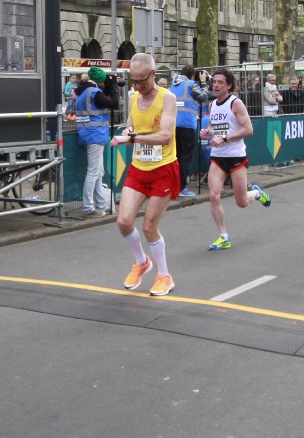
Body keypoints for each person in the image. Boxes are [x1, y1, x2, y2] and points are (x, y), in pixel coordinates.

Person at [110, 53, 180, 297]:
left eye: (141, 80)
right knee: (123, 221)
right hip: (139, 167)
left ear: (153, 74)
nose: (137, 85)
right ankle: (141, 262)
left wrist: (132, 137)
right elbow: (131, 128)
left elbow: (165, 137)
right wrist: (125, 134)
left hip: (163, 168)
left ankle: (165, 276)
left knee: (149, 226)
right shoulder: (133, 98)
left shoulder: (167, 98)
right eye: (133, 81)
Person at [200, 69, 272, 250]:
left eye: (220, 83)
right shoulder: (212, 104)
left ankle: (256, 193)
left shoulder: (235, 103)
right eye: (214, 82)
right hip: (218, 157)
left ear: (229, 86)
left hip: (236, 156)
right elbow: (213, 127)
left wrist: (224, 138)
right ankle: (223, 236)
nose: (216, 85)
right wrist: (207, 132)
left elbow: (248, 129)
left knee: (241, 202)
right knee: (214, 195)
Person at [73, 67, 120, 217]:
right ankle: (88, 208)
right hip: (95, 134)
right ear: (100, 80)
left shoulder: (83, 92)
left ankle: (101, 205)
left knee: (98, 172)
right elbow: (115, 103)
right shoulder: (94, 93)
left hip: (89, 134)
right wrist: (114, 86)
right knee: (93, 172)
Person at [171, 65, 208, 198]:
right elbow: (204, 96)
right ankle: (181, 188)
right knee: (185, 158)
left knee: (175, 157)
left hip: (173, 125)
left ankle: (173, 186)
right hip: (187, 126)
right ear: (192, 75)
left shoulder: (172, 86)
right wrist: (203, 82)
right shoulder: (191, 85)